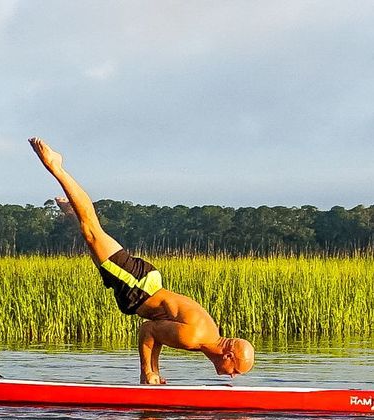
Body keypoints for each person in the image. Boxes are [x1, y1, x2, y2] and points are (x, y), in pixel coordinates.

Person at [29, 137, 254, 385]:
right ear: (228, 355)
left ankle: (71, 211)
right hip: (138, 286)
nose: (233, 375)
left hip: (144, 285)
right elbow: (147, 330)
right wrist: (148, 373)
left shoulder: (208, 334)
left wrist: (155, 373)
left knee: (92, 234)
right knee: (91, 230)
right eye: (236, 370)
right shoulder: (195, 337)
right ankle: (56, 166)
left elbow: (156, 328)